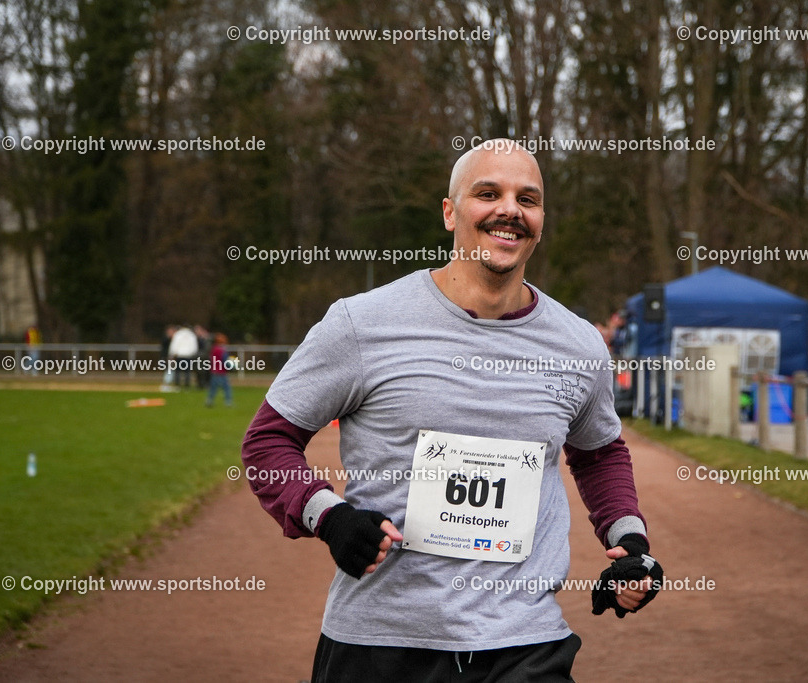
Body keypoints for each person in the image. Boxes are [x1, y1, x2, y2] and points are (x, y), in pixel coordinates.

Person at [241, 139, 661, 682]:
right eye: (488, 193)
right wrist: (330, 517)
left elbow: (600, 453)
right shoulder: (361, 324)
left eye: (527, 199)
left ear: (541, 219)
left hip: (526, 645)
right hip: (380, 644)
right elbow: (267, 442)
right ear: (450, 212)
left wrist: (630, 544)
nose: (509, 210)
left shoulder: (578, 344)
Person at [205, 333, 233, 407]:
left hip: (214, 371)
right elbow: (225, 361)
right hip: (222, 372)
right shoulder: (222, 350)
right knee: (226, 388)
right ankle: (228, 402)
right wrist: (232, 366)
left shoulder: (213, 349)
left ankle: (209, 401)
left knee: (213, 388)